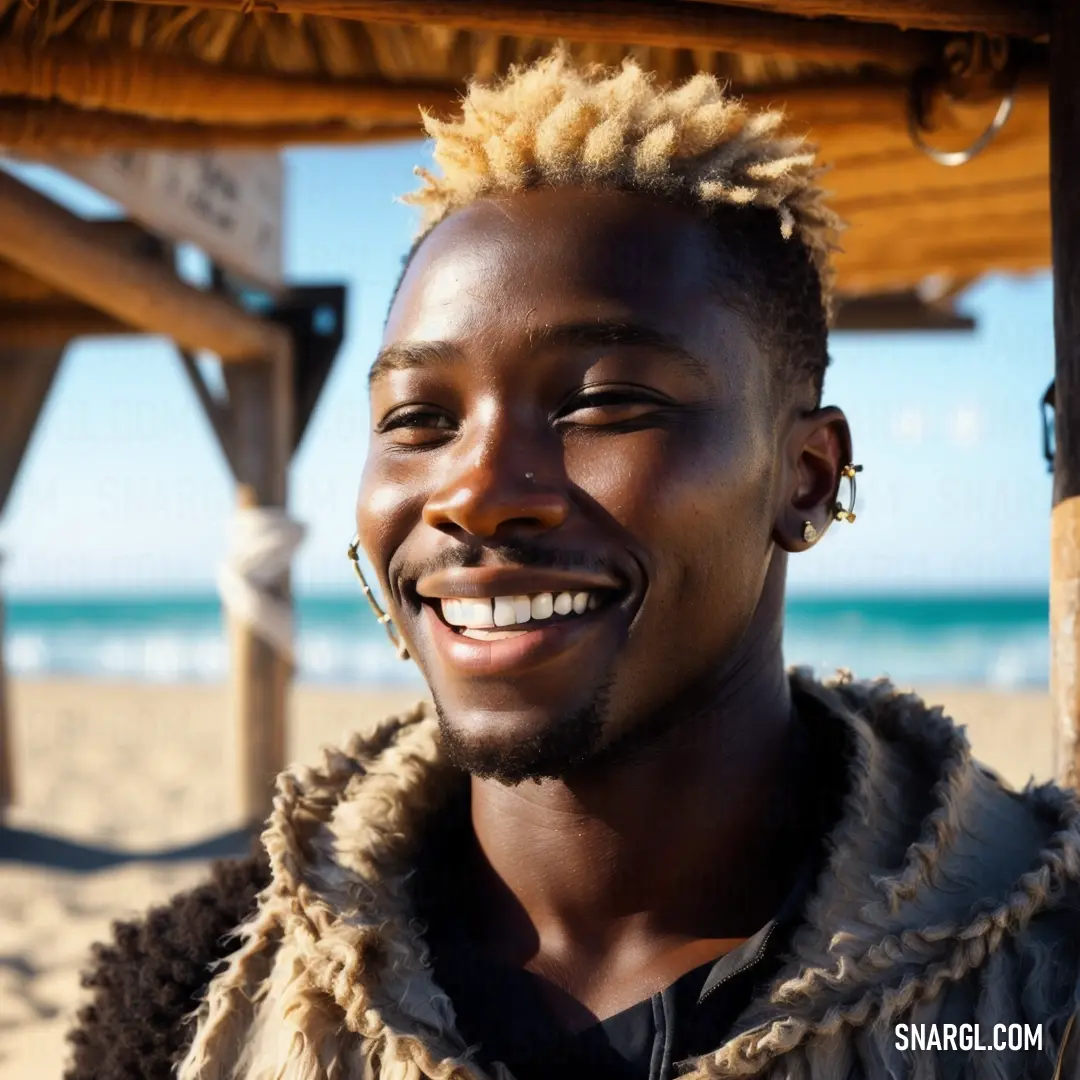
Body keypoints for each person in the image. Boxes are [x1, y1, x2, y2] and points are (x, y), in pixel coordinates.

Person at [66, 50, 1080, 1080]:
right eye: (418, 419)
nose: (474, 489)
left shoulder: (1041, 981)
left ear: (807, 478)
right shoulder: (194, 995)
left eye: (603, 404)